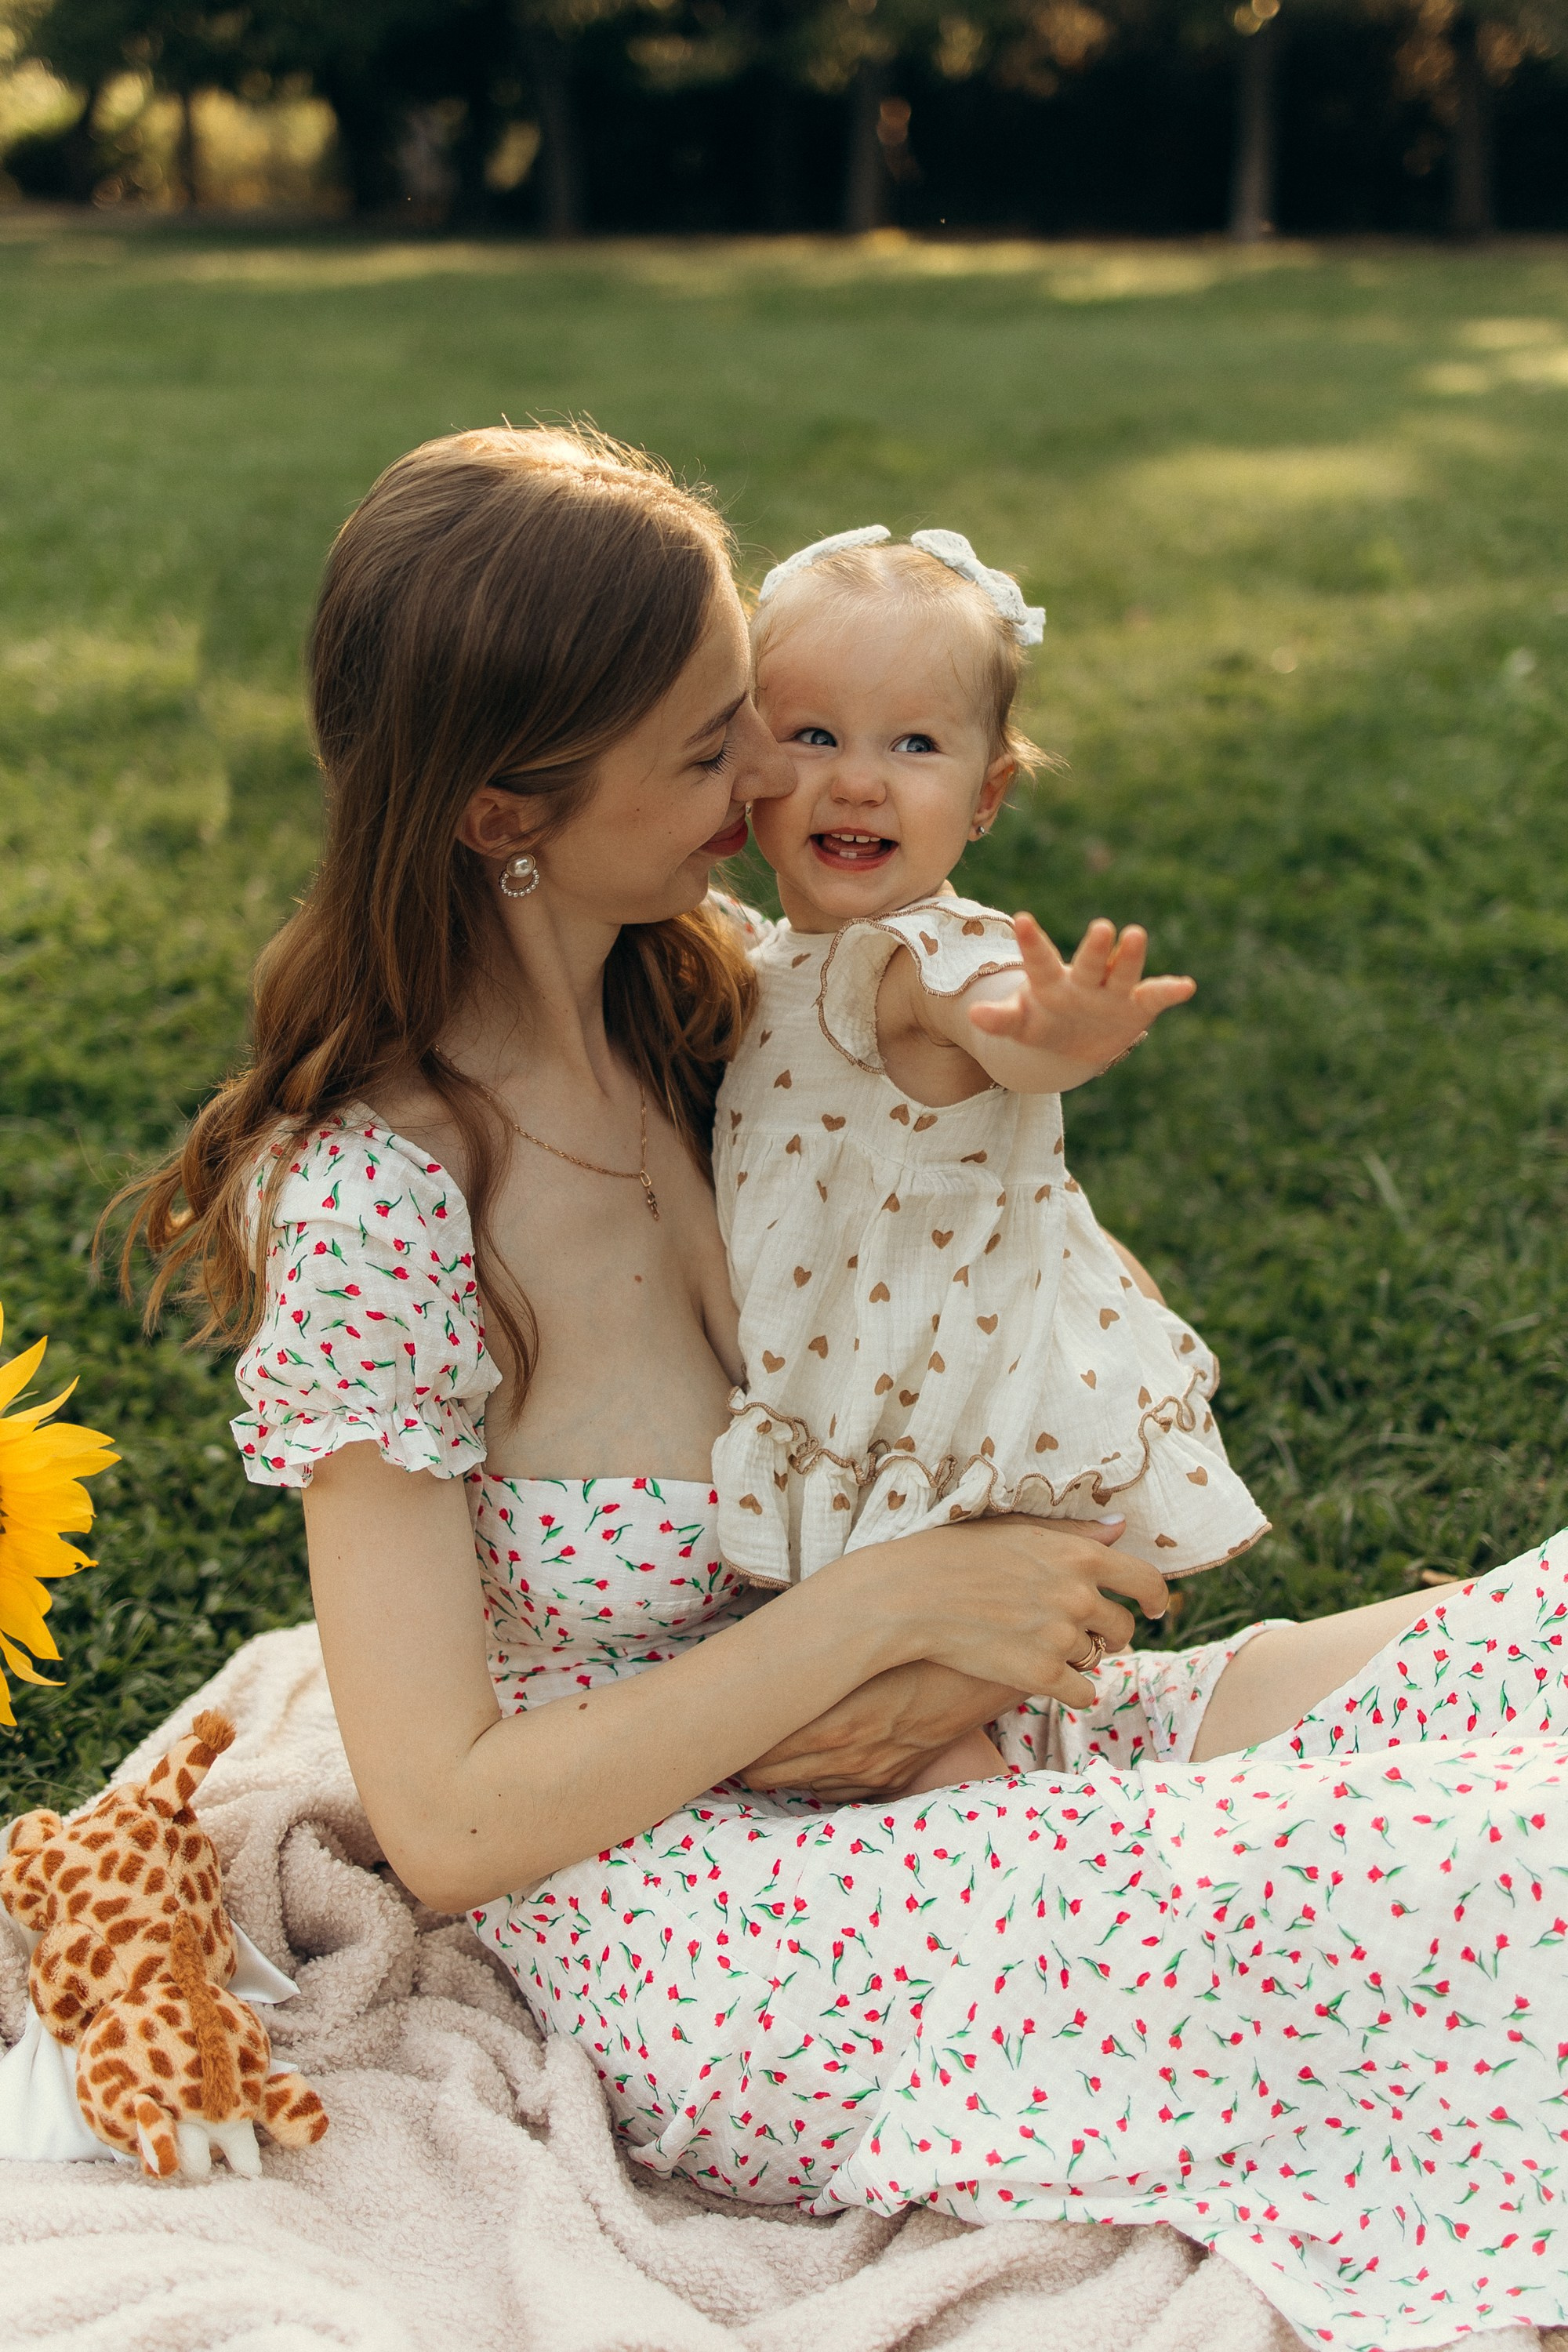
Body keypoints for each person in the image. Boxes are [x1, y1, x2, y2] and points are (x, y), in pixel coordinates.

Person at [121, 425, 1568, 2352]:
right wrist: (887, 1610)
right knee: (1521, 1862)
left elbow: (1032, 1305)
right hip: (718, 1916)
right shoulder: (382, 1198)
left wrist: (967, 1621)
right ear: (497, 811)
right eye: (708, 745)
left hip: (960, 1743)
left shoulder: (721, 1001)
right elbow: (447, 1823)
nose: (770, 778)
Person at [711, 523, 1268, 1789]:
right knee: (868, 1719)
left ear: (987, 795)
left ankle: (1018, 1870)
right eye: (815, 736)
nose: (860, 783)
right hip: (857, 1391)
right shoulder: (758, 958)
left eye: (914, 745)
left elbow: (985, 1025)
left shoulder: (919, 956)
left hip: (950, 1416)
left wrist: (1053, 1034)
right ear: (746, 765)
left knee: (904, 1734)